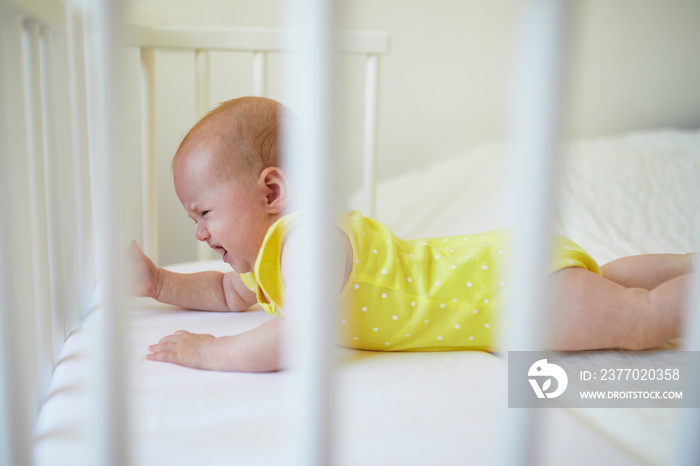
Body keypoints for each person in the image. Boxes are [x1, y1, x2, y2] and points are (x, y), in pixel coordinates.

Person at [129, 96, 696, 373]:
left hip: (502, 295)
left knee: (640, 321)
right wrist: (159, 283)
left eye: (204, 213)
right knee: (612, 283)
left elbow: (291, 340)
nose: (202, 235)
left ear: (271, 192)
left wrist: (209, 354)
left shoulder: (309, 244)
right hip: (507, 271)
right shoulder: (280, 260)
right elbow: (226, 294)